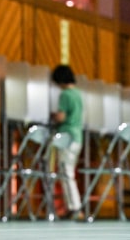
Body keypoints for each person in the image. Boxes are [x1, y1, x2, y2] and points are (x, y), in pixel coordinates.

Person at [50, 64, 84, 221]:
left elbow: (62, 117)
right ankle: (73, 207)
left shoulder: (65, 95)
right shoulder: (78, 94)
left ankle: (75, 207)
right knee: (69, 172)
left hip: (66, 137)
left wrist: (53, 116)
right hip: (77, 136)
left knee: (66, 173)